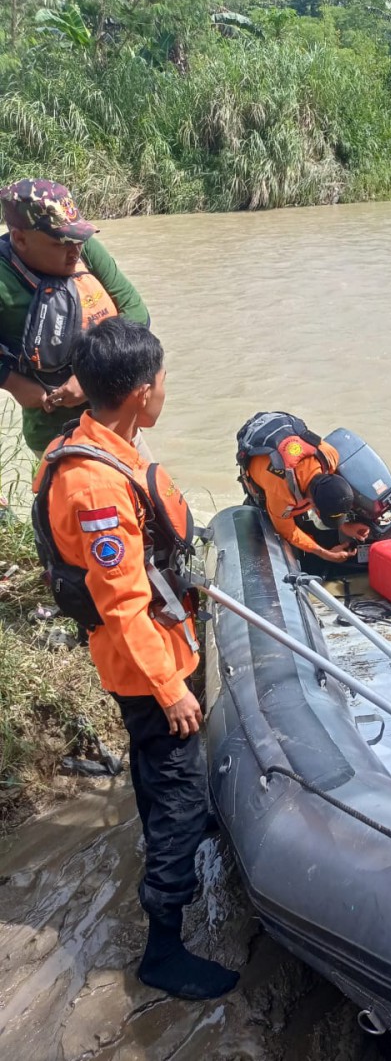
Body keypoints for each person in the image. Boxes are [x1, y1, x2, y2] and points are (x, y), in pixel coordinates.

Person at [32, 318, 239, 1000]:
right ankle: (163, 945)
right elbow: (121, 604)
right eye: (163, 382)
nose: (165, 392)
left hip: (155, 646)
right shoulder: (93, 485)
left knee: (159, 767)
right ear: (144, 391)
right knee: (179, 786)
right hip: (147, 663)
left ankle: (167, 836)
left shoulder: (97, 442)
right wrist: (172, 689)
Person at [0, 178, 149, 456]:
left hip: (119, 422)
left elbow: (137, 313)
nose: (75, 250)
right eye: (60, 242)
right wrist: (13, 382)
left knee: (151, 495)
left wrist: (88, 378)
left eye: (78, 237)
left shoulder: (84, 248)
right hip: (56, 434)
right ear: (20, 238)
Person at [236, 410, 370, 563]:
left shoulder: (330, 456)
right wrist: (325, 553)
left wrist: (344, 526)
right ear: (314, 507)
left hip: (287, 439)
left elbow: (324, 493)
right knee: (264, 521)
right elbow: (288, 531)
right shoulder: (281, 495)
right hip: (261, 460)